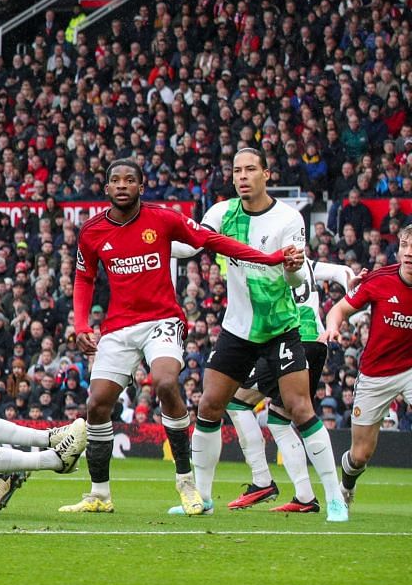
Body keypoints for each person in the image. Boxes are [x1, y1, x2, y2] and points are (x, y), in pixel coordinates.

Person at [61, 159, 299, 515]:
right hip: (118, 326)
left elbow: (211, 240)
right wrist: (81, 325)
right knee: (96, 404)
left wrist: (270, 259)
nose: (122, 185)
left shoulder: (164, 218)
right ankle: (99, 494)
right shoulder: (92, 231)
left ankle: (187, 485)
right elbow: (84, 279)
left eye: (130, 180)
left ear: (141, 187)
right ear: (107, 188)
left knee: (166, 381)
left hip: (162, 319)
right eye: (115, 181)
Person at [172, 149, 341, 516]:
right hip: (238, 329)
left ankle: (334, 498)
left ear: (267, 173)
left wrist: (294, 266)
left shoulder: (288, 217)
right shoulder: (221, 213)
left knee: (299, 409)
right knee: (210, 405)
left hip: (281, 327)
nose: (242, 176)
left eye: (250, 169)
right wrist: (153, 236)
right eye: (236, 171)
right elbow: (189, 246)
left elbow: (297, 276)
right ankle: (200, 497)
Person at [226, 258, 358, 511]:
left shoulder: (266, 260)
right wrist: (350, 284)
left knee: (237, 402)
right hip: (317, 342)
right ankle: (305, 497)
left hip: (291, 339)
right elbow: (342, 271)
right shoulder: (309, 262)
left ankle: (261, 480)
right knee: (279, 417)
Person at [323, 223, 412, 510]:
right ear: (398, 249)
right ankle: (347, 487)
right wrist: (333, 328)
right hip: (376, 372)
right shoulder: (380, 279)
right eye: (405, 246)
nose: (410, 253)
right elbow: (339, 309)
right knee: (361, 454)